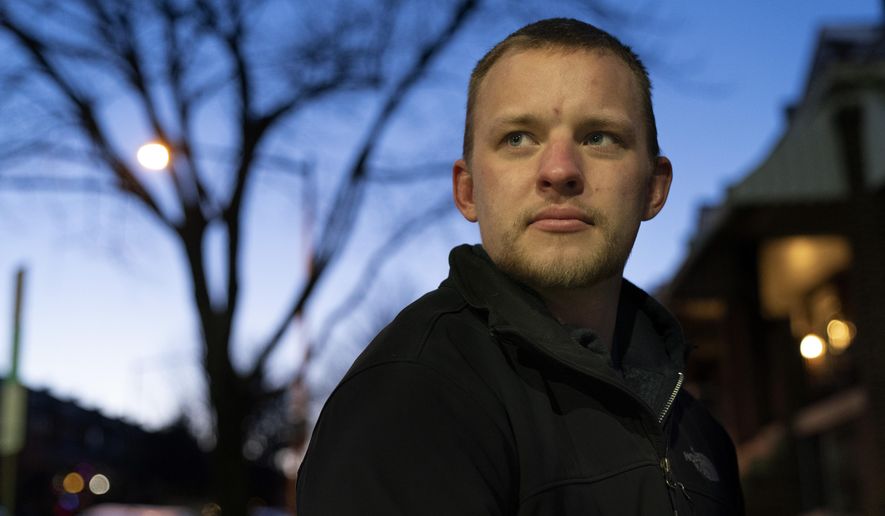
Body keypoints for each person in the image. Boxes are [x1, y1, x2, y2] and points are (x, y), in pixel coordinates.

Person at [296, 18, 744, 515]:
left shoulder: (698, 433)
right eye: (517, 139)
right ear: (468, 190)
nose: (559, 171)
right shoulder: (413, 399)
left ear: (653, 187)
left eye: (599, 137)